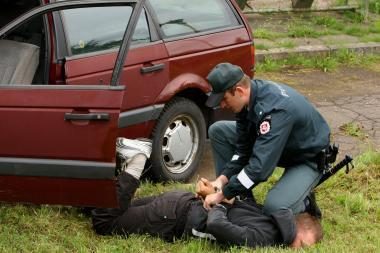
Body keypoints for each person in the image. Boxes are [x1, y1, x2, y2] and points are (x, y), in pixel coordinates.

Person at [91, 138, 323, 249]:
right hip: (173, 217)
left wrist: (215, 195)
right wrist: (218, 204)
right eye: (303, 245)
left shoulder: (269, 215)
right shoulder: (267, 238)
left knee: (111, 208)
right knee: (105, 223)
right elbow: (219, 226)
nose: (299, 250)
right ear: (298, 230)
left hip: (179, 203)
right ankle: (137, 160)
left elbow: (240, 201)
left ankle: (84, 185)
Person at [204, 62, 330, 217]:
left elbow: (259, 169)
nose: (222, 105)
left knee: (274, 208)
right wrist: (222, 180)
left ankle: (304, 201)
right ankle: (241, 198)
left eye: (224, 99)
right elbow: (243, 149)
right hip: (281, 146)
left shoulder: (276, 111)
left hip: (307, 158)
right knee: (219, 131)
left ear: (239, 91)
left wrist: (222, 194)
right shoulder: (248, 100)